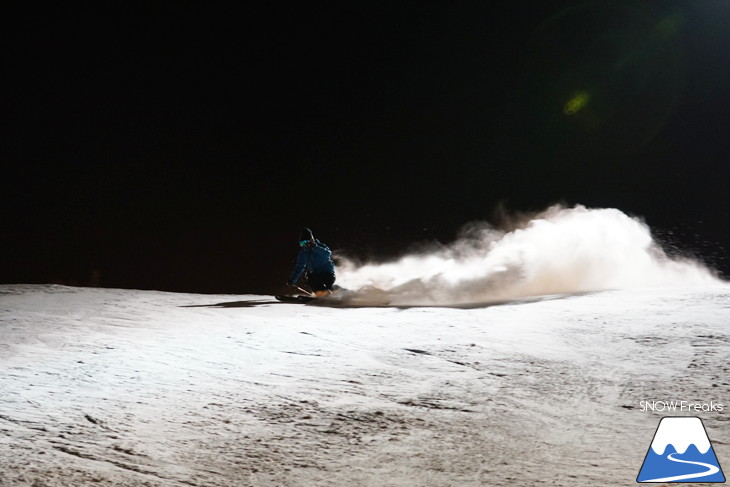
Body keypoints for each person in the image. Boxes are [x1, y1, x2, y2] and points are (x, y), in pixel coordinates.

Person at [288, 228, 336, 297]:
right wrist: (292, 280)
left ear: (311, 241)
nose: (304, 245)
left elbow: (327, 253)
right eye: (302, 243)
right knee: (310, 279)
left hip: (327, 273)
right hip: (315, 275)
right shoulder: (303, 253)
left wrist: (315, 247)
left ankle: (341, 295)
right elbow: (299, 267)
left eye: (306, 242)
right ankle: (323, 295)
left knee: (329, 285)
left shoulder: (320, 246)